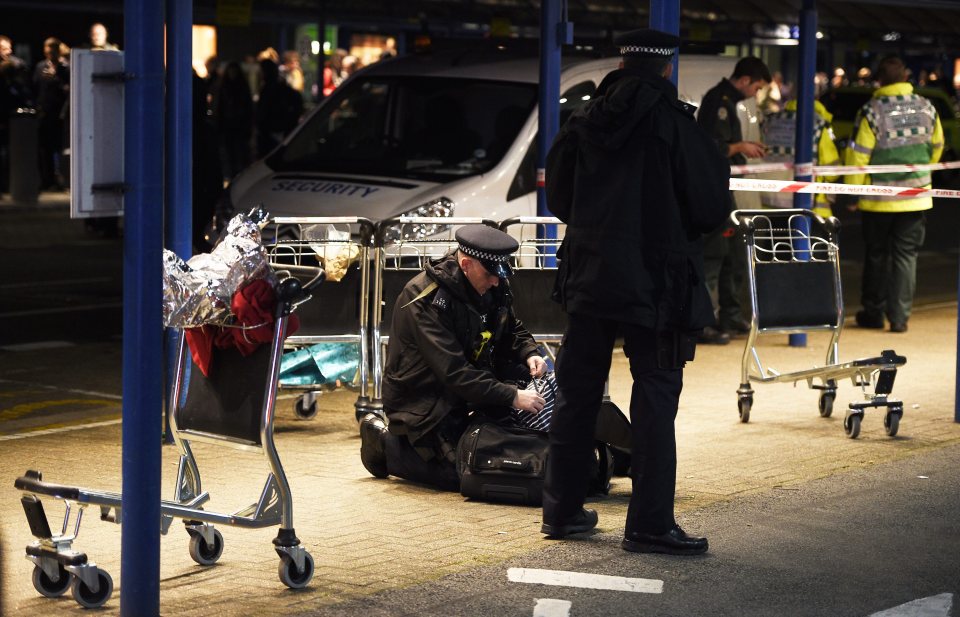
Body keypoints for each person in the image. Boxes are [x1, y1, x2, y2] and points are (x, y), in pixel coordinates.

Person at [540, 29, 729, 554]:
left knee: (577, 394)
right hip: (658, 286)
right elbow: (712, 208)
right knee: (653, 401)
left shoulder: (583, 121)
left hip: (590, 276)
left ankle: (561, 511)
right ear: (667, 68)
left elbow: (559, 199)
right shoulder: (678, 126)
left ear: (623, 63)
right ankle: (648, 524)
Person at [358, 225, 549, 491]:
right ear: (467, 263)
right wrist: (511, 396)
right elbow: (453, 371)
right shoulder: (423, 297)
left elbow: (511, 327)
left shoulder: (493, 284)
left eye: (501, 273)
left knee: (503, 449)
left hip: (468, 390)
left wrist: (529, 353)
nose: (496, 280)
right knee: (467, 471)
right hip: (425, 403)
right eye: (490, 274)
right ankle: (383, 444)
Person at [844, 55, 943, 334]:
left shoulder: (872, 110)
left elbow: (858, 157)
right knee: (906, 257)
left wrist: (852, 193)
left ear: (879, 81)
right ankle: (899, 318)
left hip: (878, 199)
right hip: (915, 196)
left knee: (876, 255)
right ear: (906, 78)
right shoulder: (927, 107)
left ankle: (873, 313)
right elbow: (937, 148)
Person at [696, 56, 771, 343]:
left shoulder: (725, 100)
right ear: (744, 81)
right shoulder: (719, 102)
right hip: (713, 192)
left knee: (731, 254)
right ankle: (703, 322)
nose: (756, 94)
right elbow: (711, 146)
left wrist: (741, 148)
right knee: (713, 255)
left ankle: (728, 315)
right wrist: (740, 146)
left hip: (722, 191)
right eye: (757, 87)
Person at [760, 98, 841, 218]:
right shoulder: (818, 126)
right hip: (807, 205)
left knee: (773, 236)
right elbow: (832, 172)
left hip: (768, 202)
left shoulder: (769, 122)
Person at [33, 37, 69, 191]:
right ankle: (46, 180)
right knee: (43, 148)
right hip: (43, 113)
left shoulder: (65, 68)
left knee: (58, 148)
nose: (49, 55)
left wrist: (56, 78)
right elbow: (35, 86)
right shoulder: (40, 66)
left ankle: (59, 179)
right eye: (47, 52)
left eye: (52, 52)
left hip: (59, 114)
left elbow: (68, 89)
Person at [254, 59, 303, 157]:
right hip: (276, 130)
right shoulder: (280, 88)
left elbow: (264, 111)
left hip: (272, 131)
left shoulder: (270, 89)